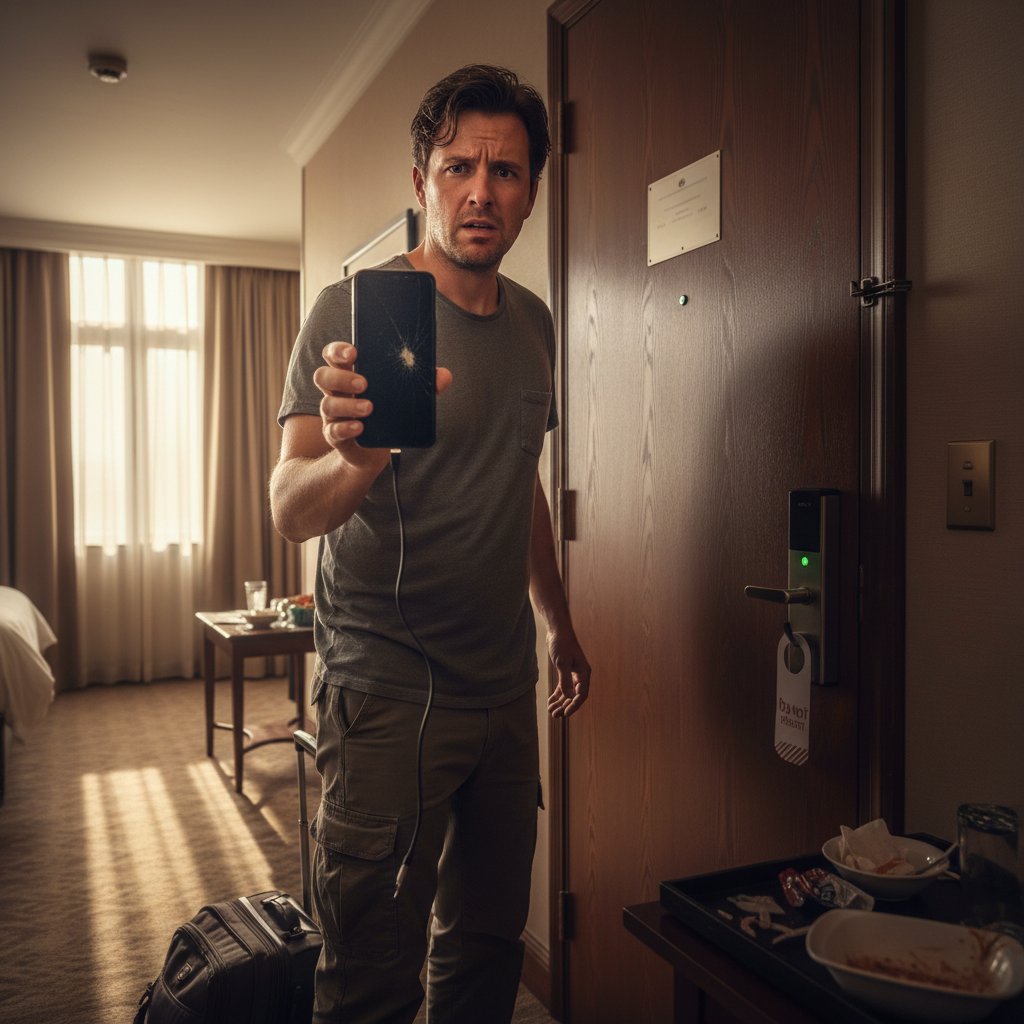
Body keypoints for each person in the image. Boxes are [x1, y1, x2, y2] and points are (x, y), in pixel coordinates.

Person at [271, 64, 590, 1024]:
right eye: (459, 168)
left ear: (531, 191)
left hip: (503, 696)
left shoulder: (535, 326)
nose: (481, 192)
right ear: (423, 182)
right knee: (370, 977)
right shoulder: (352, 312)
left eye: (506, 171)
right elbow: (289, 508)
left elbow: (518, 479)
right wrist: (359, 460)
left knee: (485, 959)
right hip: (386, 692)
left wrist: (558, 624)